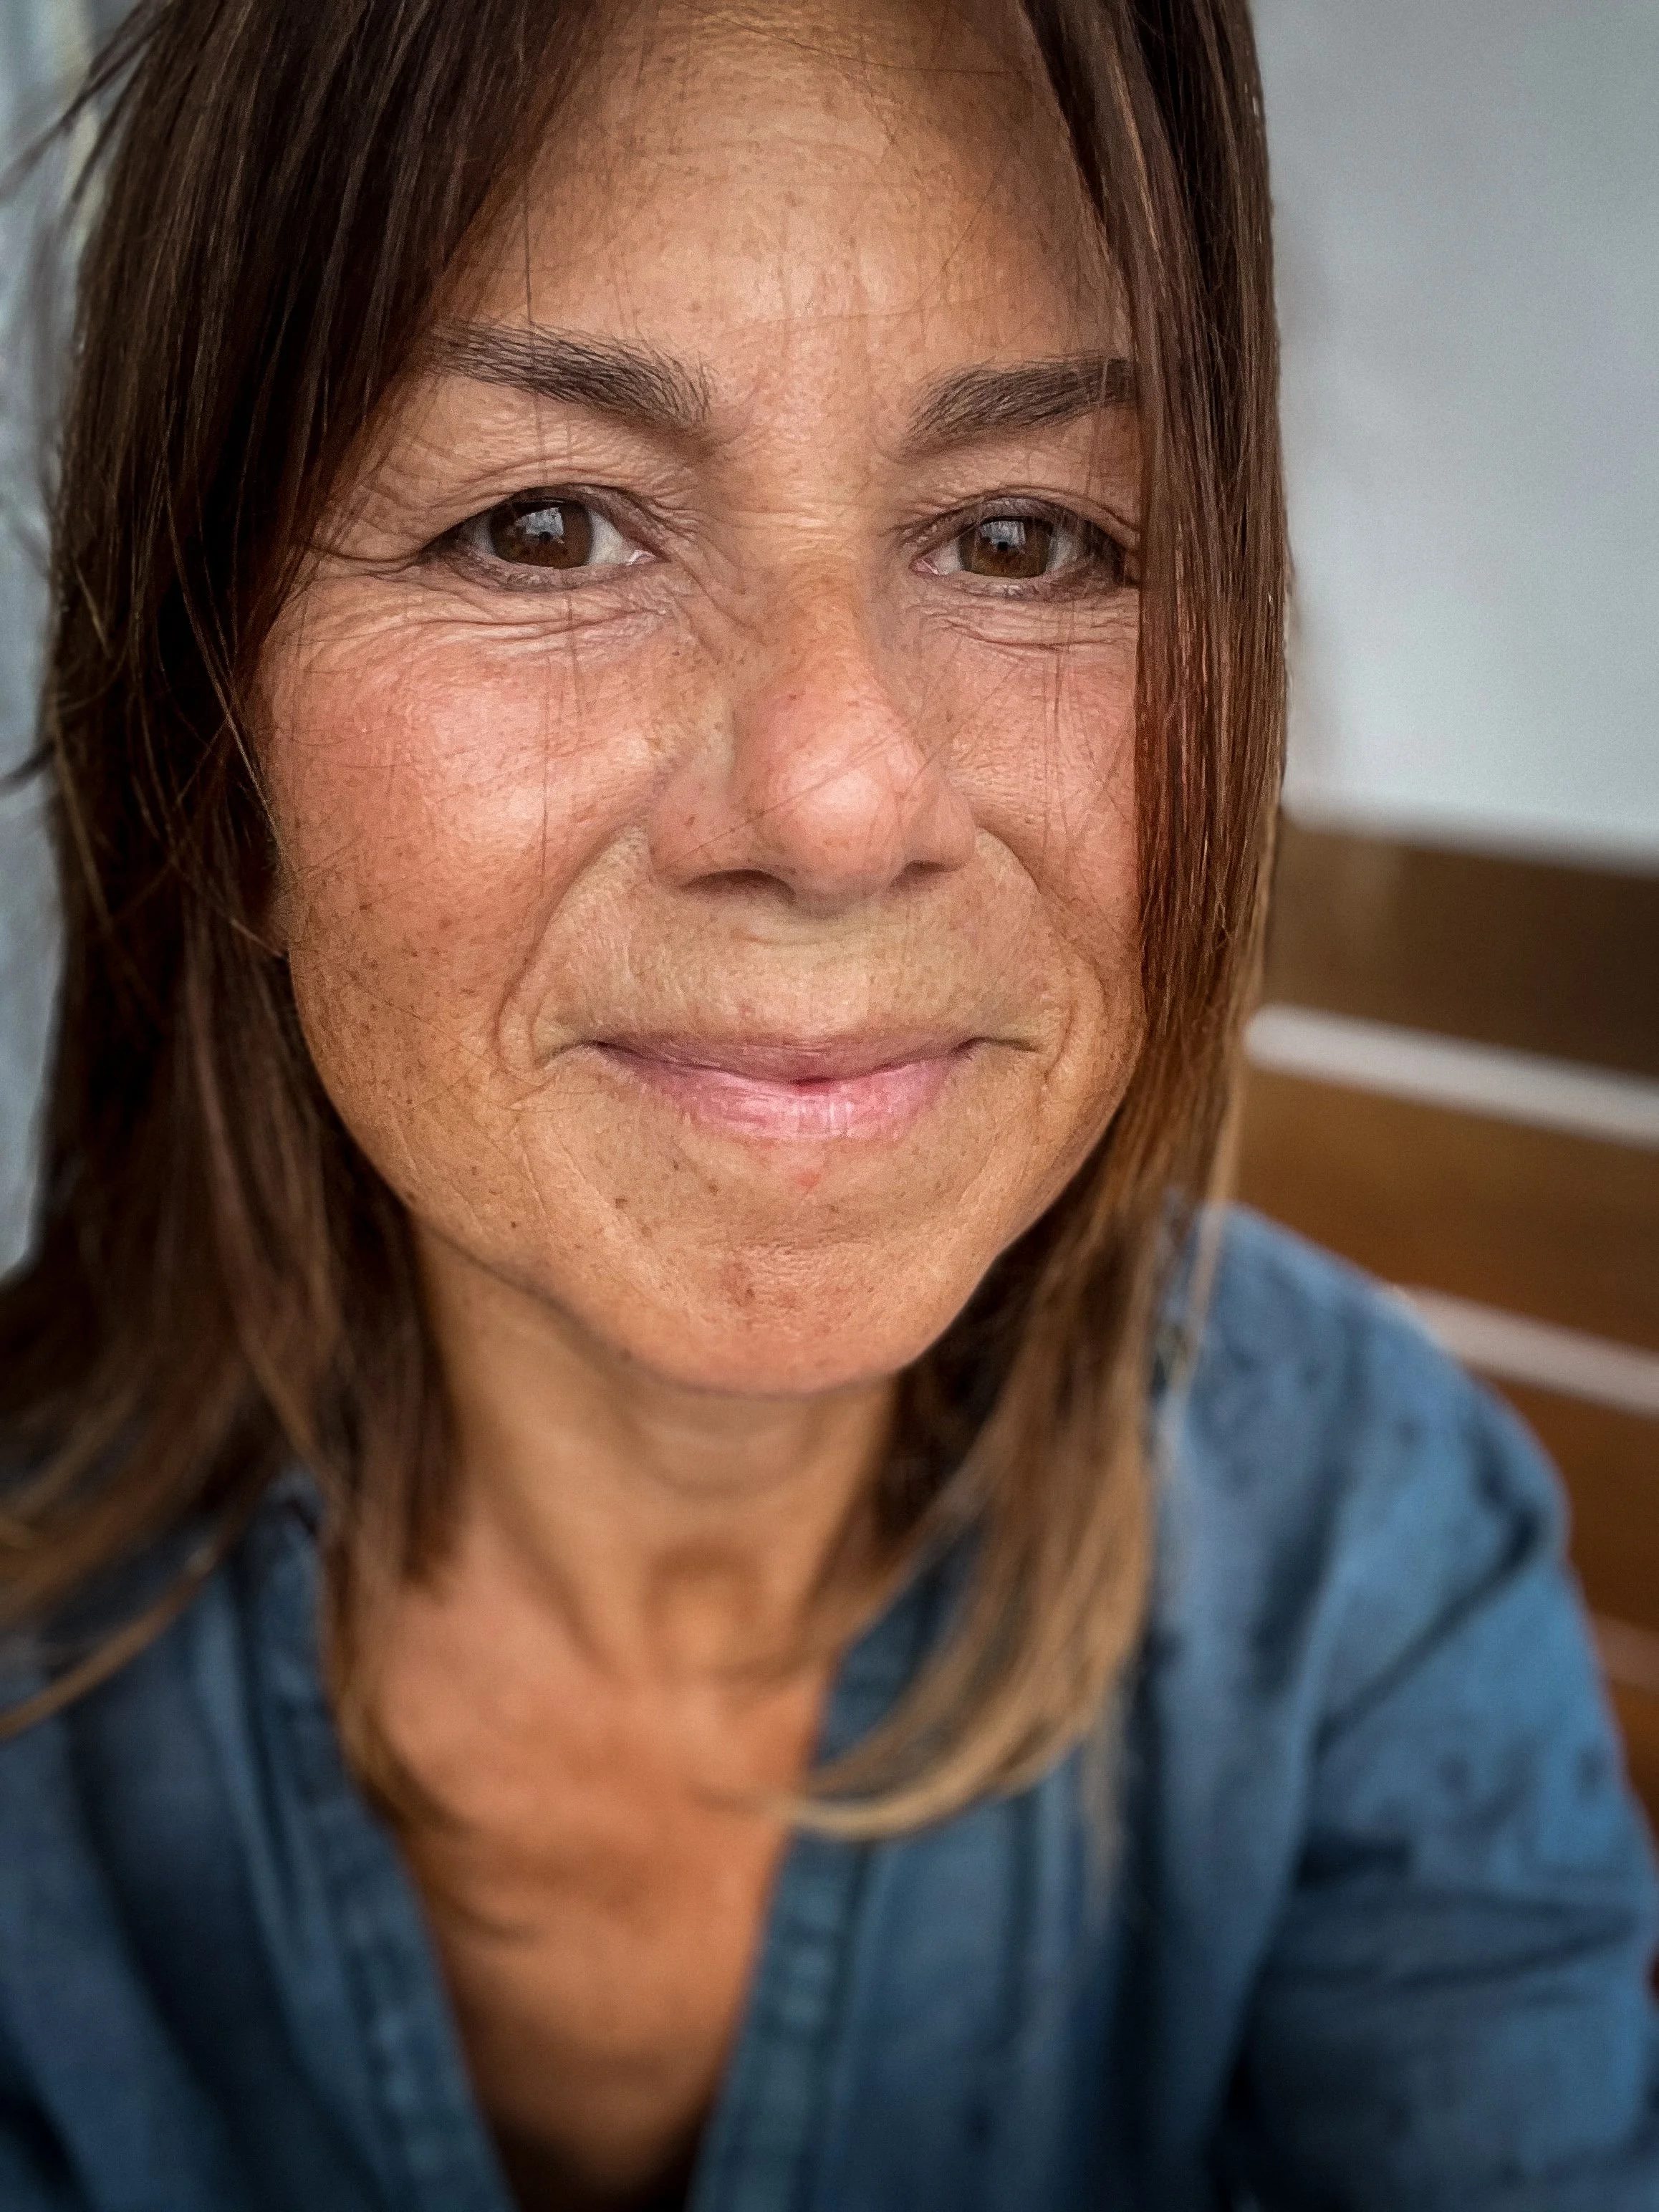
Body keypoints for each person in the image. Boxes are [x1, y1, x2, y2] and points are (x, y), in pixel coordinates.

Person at [0, 1, 1654, 2206]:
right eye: (547, 527)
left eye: (1022, 540)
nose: (838, 798)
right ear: (219, 757)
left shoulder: (1361, 1546)